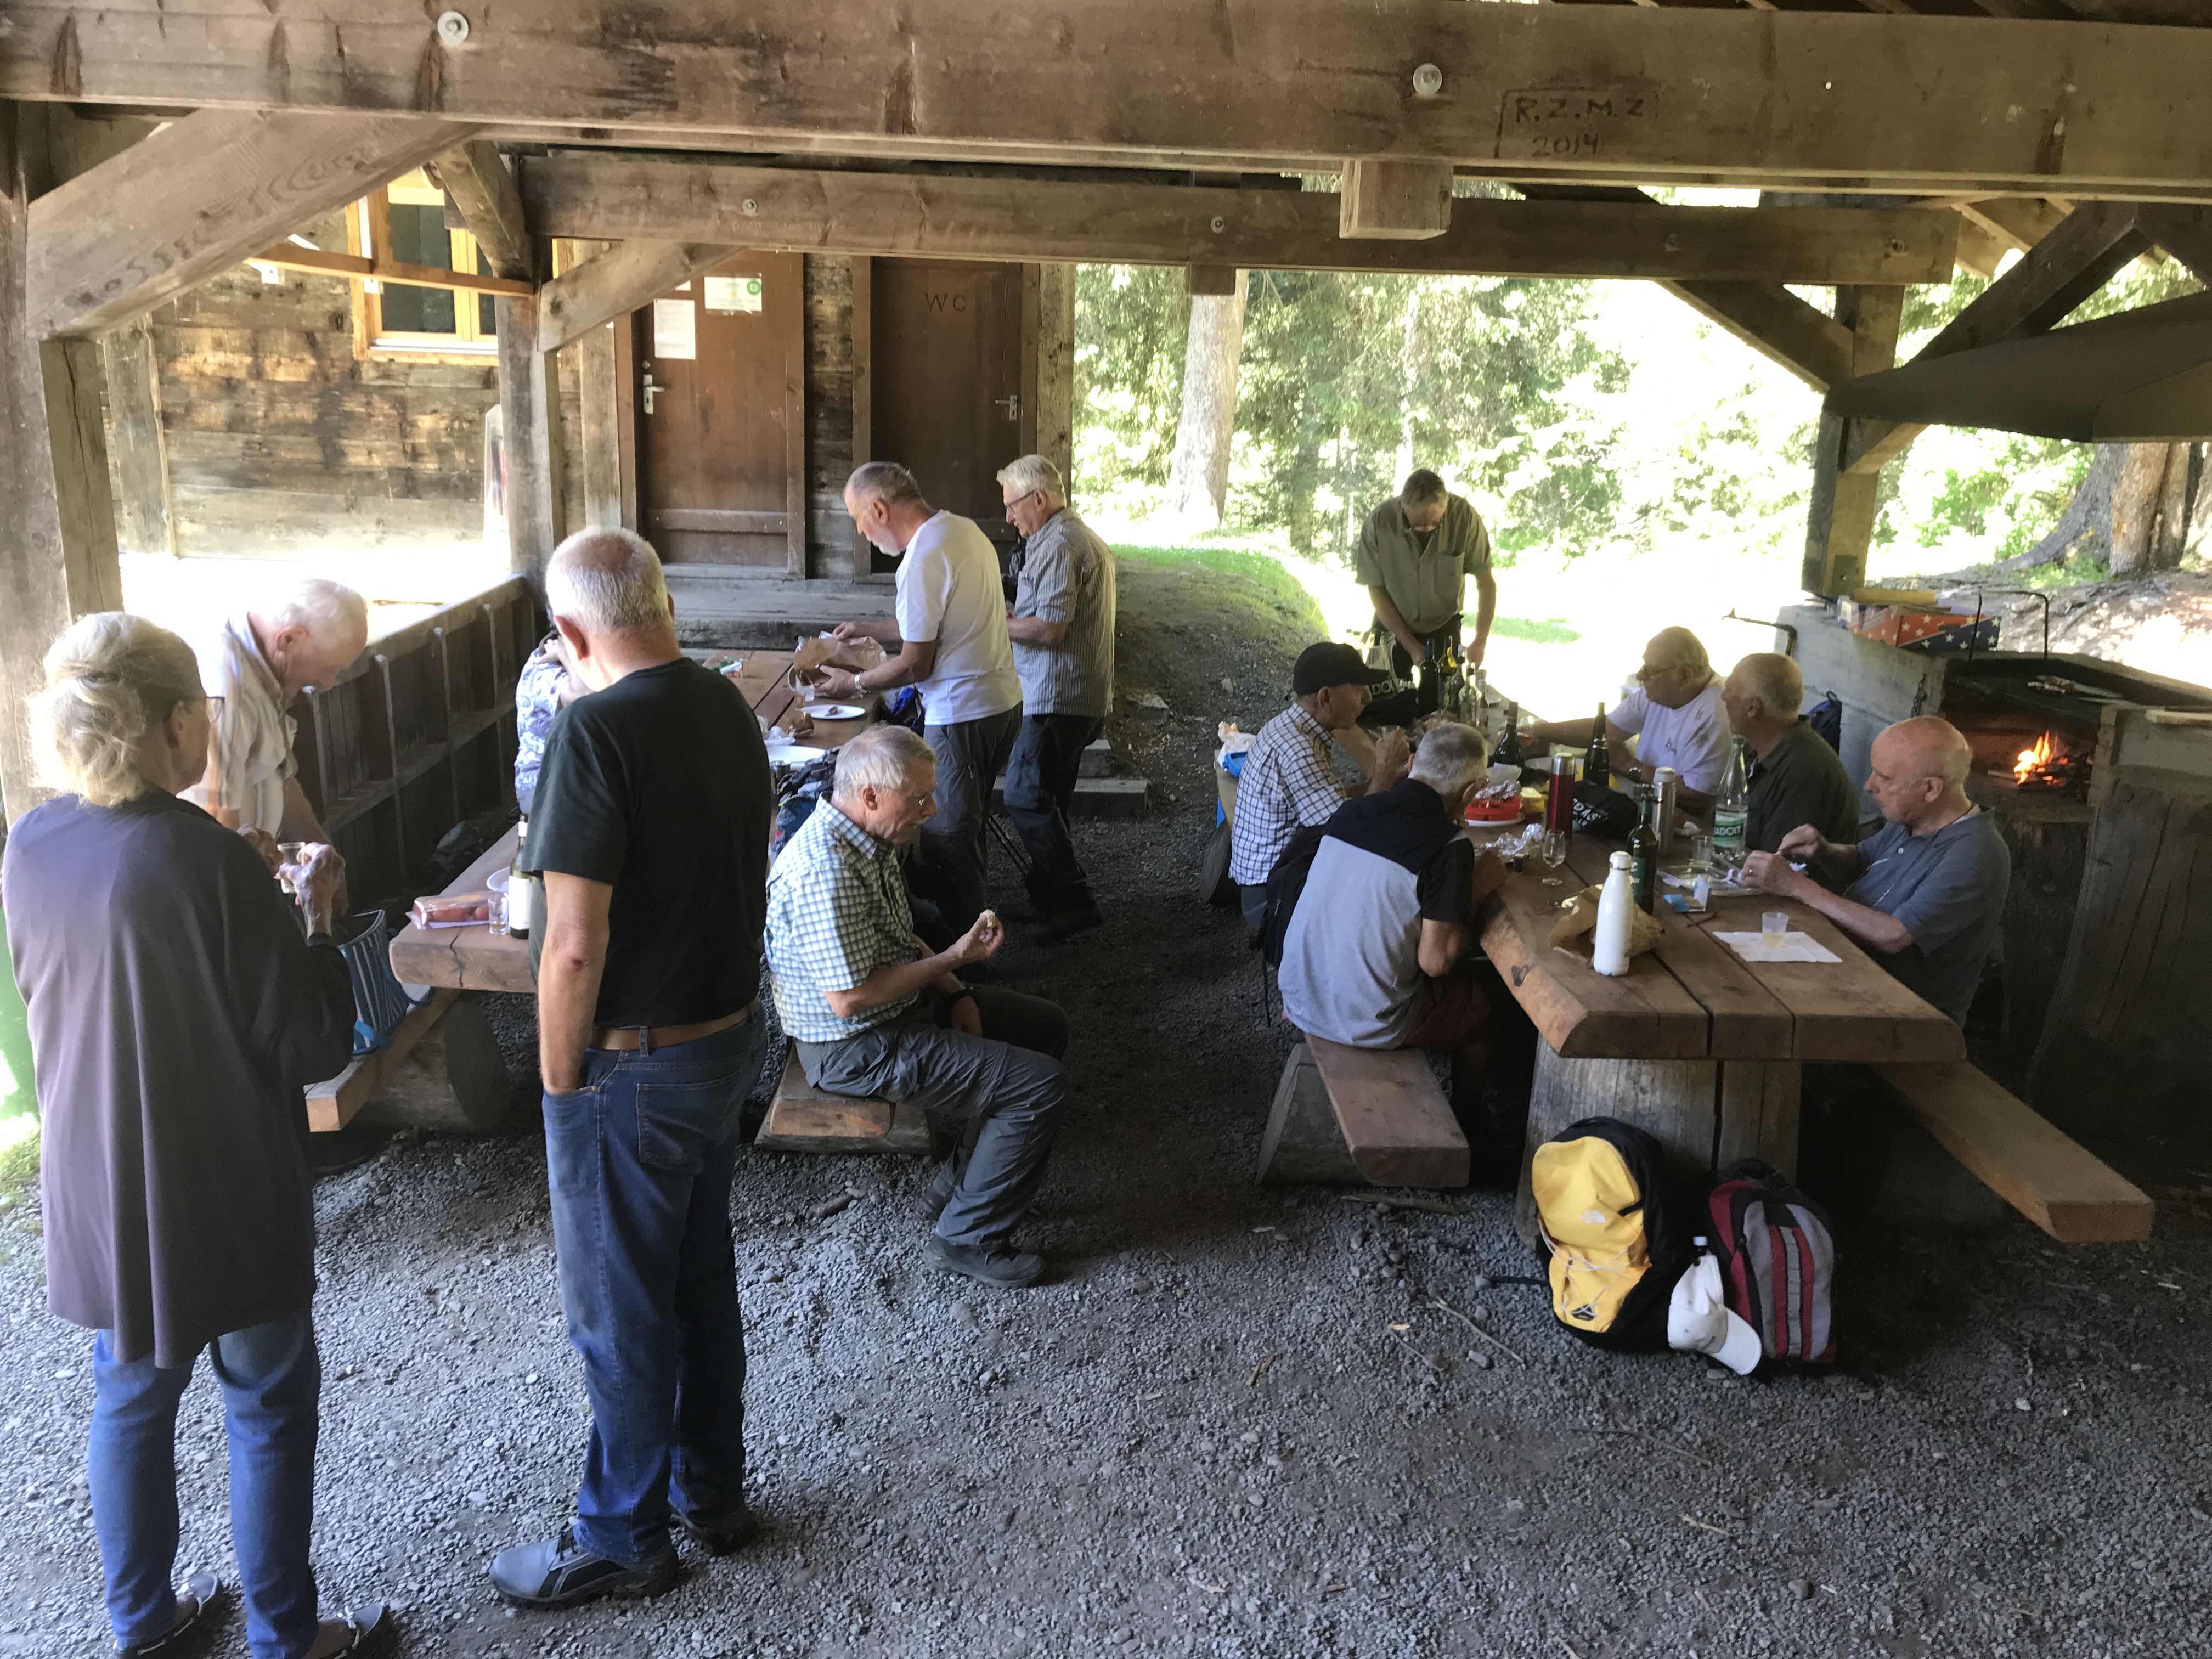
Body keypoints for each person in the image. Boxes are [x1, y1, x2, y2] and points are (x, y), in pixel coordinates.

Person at [2, 613, 392, 1659]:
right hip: (225, 1180)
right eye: (202, 715)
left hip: (98, 1179)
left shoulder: (31, 844)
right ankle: (285, 1634)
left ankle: (143, 1623)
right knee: (265, 1400)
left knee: (130, 1397)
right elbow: (312, 1041)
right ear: (174, 722)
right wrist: (311, 920)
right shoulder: (211, 861)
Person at [492, 528, 775, 1608]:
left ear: (569, 631)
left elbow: (572, 944)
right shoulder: (725, 703)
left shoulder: (594, 730)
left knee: (619, 1312)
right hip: (723, 1043)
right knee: (698, 1283)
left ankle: (621, 1536)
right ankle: (713, 1493)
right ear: (662, 603)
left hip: (635, 1066)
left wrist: (558, 1082)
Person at [764, 725, 1067, 1289]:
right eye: (920, 797)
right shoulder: (825, 869)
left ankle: (963, 1186)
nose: (932, 810)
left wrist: (956, 990)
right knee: (1039, 1086)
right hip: (853, 1046)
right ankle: (967, 1237)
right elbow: (851, 998)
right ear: (871, 796)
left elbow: (900, 937)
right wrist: (955, 957)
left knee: (1045, 1028)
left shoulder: (867, 839)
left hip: (895, 1012)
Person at [815, 462, 1022, 940]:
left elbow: (915, 665)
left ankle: (964, 959)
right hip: (1003, 705)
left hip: (963, 712)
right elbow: (934, 623)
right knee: (968, 826)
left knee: (948, 839)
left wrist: (854, 684)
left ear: (879, 509)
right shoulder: (962, 531)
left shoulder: (921, 559)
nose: (861, 532)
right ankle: (976, 925)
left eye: (858, 519)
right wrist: (869, 630)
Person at [1276, 723, 1510, 1133]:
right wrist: (1479, 883)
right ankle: (1469, 1117)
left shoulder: (1352, 812)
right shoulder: (1448, 844)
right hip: (1365, 1020)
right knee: (1485, 1006)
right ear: (1472, 792)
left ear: (1412, 763)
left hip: (1300, 993)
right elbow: (1437, 962)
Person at [1742, 716, 2009, 1028]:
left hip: (1903, 1014)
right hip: (1845, 972)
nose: (1869, 786)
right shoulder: (1913, 818)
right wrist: (1823, 850)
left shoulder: (1976, 852)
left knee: (1755, 1012)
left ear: (1931, 789)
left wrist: (1796, 887)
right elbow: (1863, 859)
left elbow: (1893, 935)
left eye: (1885, 778)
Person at [997, 454, 1117, 942]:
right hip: (1077, 695)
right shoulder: (1074, 537)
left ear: (1039, 499)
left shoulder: (1059, 544)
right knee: (1050, 796)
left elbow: (1049, 629)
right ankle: (1049, 899)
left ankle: (1075, 902)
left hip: (1057, 697)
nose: (1009, 517)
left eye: (1013, 506)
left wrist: (992, 623)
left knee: (1024, 795)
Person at [1227, 643, 1412, 935]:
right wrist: (1384, 770)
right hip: (1271, 896)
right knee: (1391, 890)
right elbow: (1353, 833)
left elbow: (1337, 802)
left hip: (1274, 877)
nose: (1368, 697)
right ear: (1326, 698)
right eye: (1358, 689)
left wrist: (1393, 778)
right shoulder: (1298, 748)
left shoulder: (1293, 728)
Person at [185, 580, 370, 840]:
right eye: (330, 668)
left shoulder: (264, 668)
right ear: (289, 639)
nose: (327, 683)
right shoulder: (230, 698)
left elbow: (279, 777)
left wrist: (320, 847)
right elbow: (214, 825)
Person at [1522, 625, 1731, 812]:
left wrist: (1628, 765)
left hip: (1683, 824)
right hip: (1647, 805)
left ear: (1685, 676)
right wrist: (1540, 730)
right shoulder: (1661, 691)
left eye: (1650, 670)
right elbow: (1606, 730)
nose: (1640, 676)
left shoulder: (1713, 714)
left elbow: (1698, 798)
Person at [1356, 469, 1496, 725]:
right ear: (1403, 507)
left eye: (1434, 523)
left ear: (1446, 505)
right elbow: (1375, 589)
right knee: (1384, 710)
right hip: (1392, 627)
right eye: (1417, 524)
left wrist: (1480, 640)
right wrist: (1410, 645)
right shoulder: (1379, 522)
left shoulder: (1464, 518)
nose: (1426, 530)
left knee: (1443, 710)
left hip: (1444, 627)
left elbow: (1486, 584)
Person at [1720, 652, 1861, 879]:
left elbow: (1777, 869)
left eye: (1730, 690)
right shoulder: (1752, 749)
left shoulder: (1804, 769)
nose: (1723, 696)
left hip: (1785, 897)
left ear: (1752, 708)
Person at [514, 628, 587, 813]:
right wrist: (565, 655)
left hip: (567, 778)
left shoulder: (580, 664)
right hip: (542, 784)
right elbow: (583, 698)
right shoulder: (544, 668)